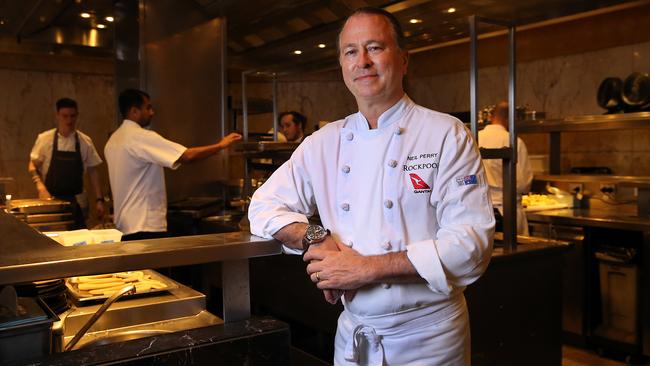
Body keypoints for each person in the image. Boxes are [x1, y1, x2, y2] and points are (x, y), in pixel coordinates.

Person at [248, 7, 494, 365]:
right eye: (351, 51)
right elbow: (262, 208)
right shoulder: (324, 142)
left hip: (430, 339)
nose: (362, 61)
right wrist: (316, 236)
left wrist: (365, 268)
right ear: (342, 66)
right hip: (355, 334)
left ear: (403, 59)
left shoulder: (445, 134)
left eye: (375, 48)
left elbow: (472, 246)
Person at [104, 89, 241, 241]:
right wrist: (221, 145)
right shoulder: (139, 137)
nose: (152, 112)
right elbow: (187, 156)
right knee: (152, 265)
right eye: (148, 108)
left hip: (124, 226)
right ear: (134, 111)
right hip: (145, 226)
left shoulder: (113, 140)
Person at [28, 97, 105, 228]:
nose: (69, 120)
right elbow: (32, 164)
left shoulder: (84, 141)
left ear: (77, 116)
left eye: (72, 116)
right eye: (65, 116)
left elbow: (93, 171)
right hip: (51, 200)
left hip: (77, 202)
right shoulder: (45, 139)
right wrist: (40, 186)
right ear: (57, 115)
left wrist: (99, 199)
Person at [478, 101, 533, 235]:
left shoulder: (474, 138)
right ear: (509, 119)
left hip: (481, 213)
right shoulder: (514, 141)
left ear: (491, 117)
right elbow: (524, 184)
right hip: (507, 212)